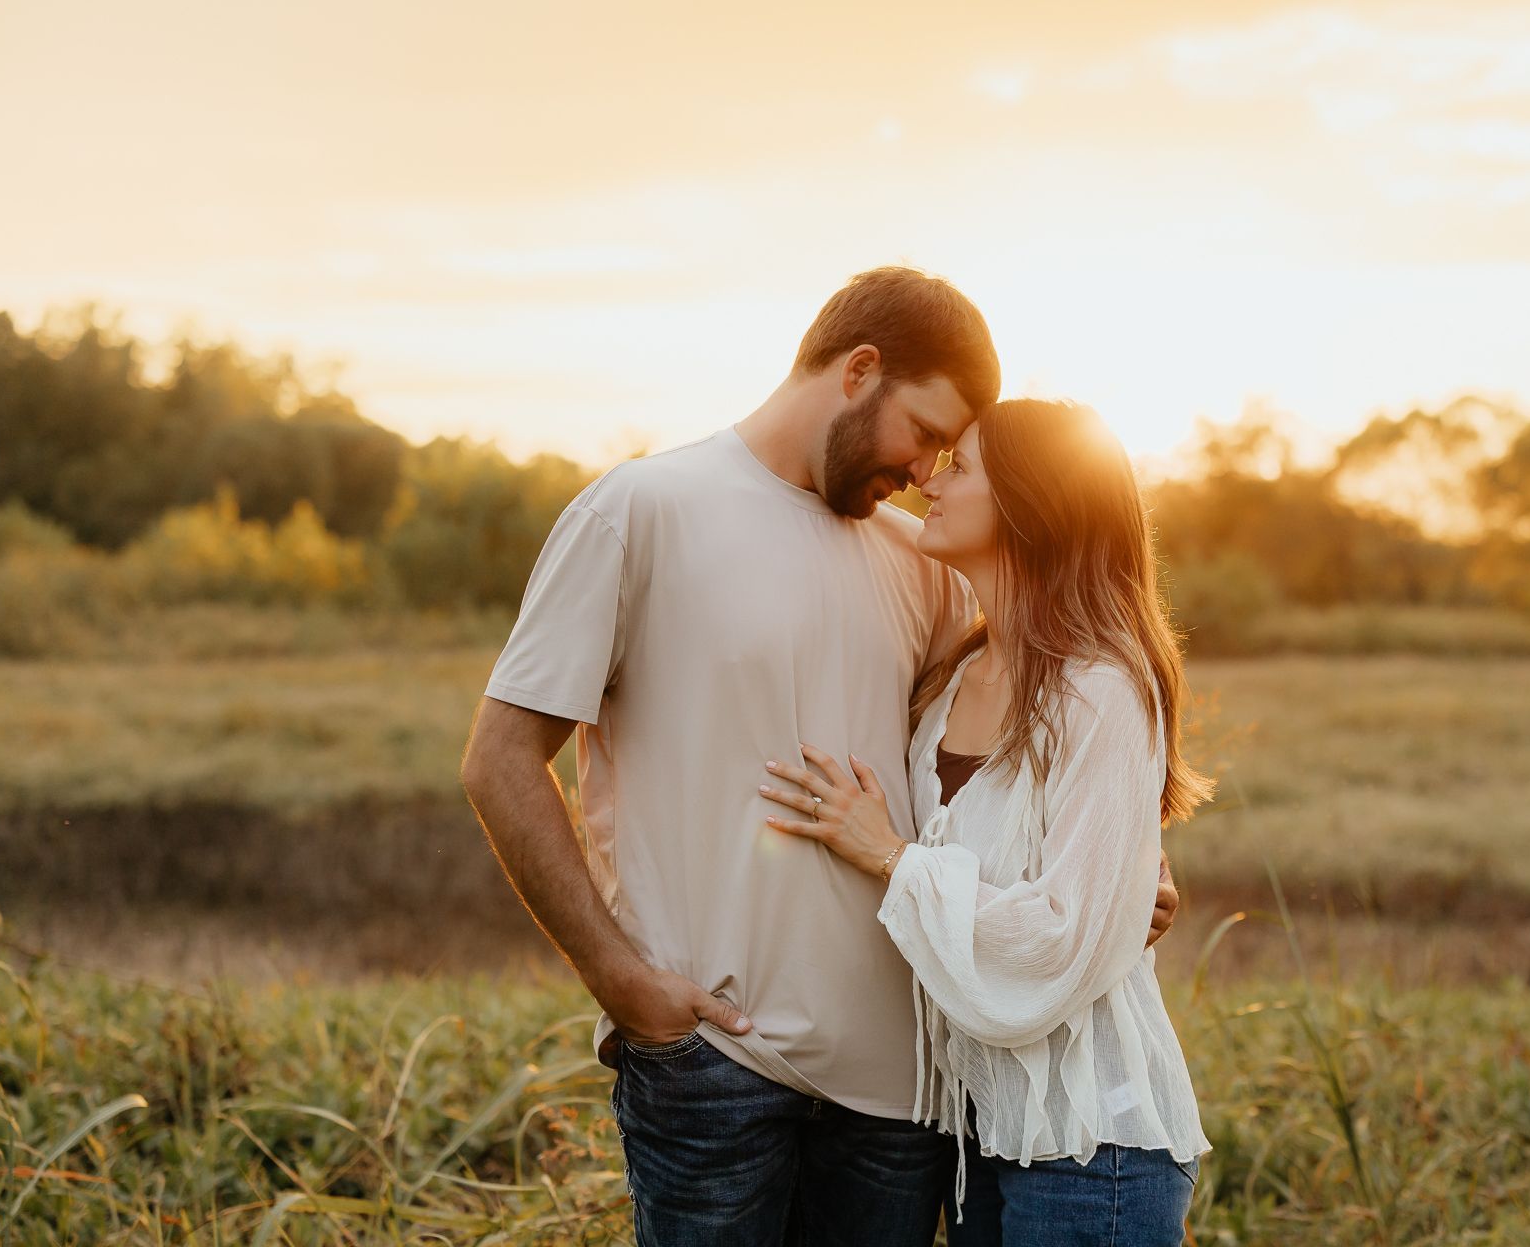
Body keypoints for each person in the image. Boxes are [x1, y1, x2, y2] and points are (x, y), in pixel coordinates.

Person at [458, 268, 1180, 1247]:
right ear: (860, 369)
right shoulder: (639, 509)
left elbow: (1014, 734)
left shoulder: (915, 556)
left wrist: (1133, 858)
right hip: (714, 1060)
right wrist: (621, 980)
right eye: (926, 433)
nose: (929, 469)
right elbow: (499, 758)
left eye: (951, 455)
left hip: (907, 1092)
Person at [760, 398, 1214, 1246]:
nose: (928, 478)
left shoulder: (1103, 688)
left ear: (1027, 503)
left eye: (958, 466)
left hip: (1090, 1145)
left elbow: (1059, 935)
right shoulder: (954, 676)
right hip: (980, 1135)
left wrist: (891, 858)